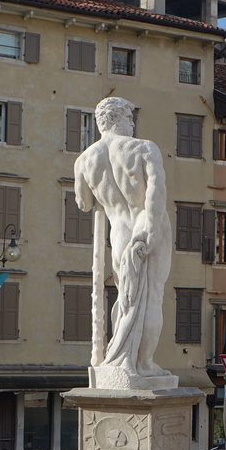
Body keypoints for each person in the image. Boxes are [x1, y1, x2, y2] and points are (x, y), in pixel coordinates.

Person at [74, 97, 176, 390]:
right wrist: (151, 234)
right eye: (131, 118)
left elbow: (84, 204)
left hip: (118, 233)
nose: (132, 124)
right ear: (120, 118)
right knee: (150, 297)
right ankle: (143, 363)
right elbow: (155, 196)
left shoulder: (84, 160)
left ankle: (120, 358)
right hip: (147, 225)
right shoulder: (144, 148)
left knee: (127, 298)